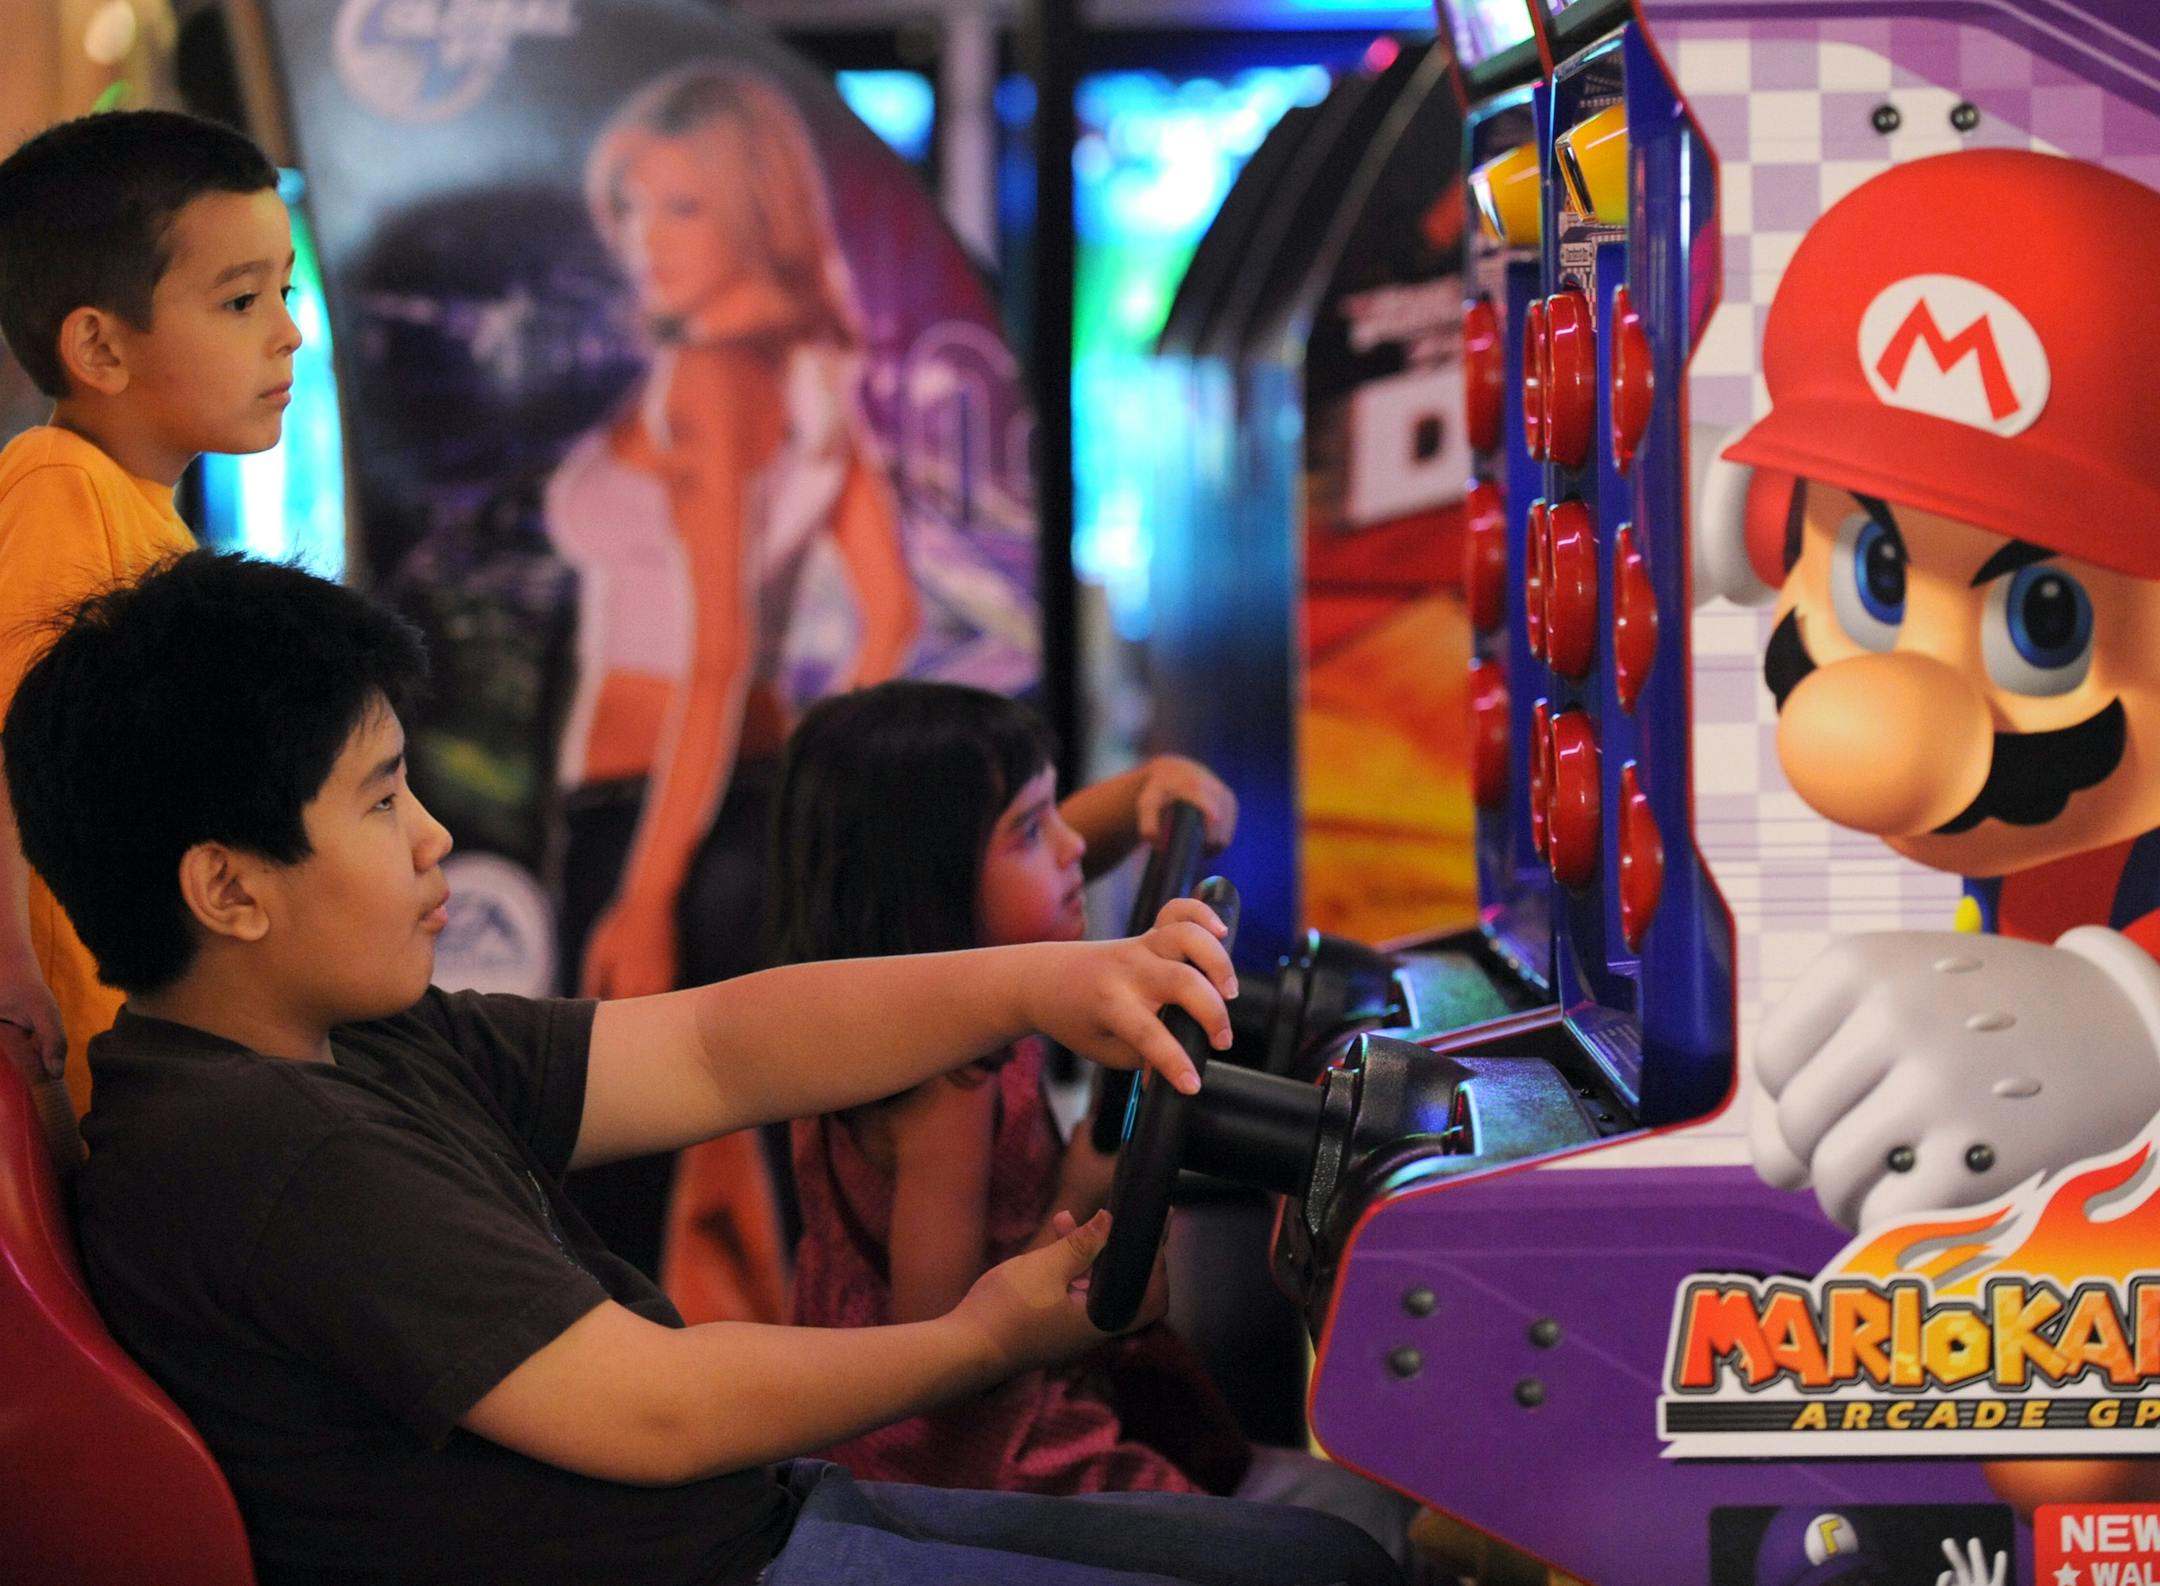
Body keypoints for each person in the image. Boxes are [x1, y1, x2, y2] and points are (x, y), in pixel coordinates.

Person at [1, 549, 1399, 1586]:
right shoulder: (258, 1150)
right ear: (228, 890)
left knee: (1313, 1561)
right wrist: (986, 1337)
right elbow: (652, 1407)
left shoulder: (354, 1038)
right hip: (700, 1559)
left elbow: (719, 1045)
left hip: (746, 1522)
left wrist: (1047, 981)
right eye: (382, 801)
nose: (433, 838)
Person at [765, 680, 1422, 1564]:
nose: (1076, 845)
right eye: (1033, 830)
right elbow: (938, 1352)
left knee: (1324, 1499)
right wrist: (1077, 1189)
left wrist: (1150, 789)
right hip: (976, 1464)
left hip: (1005, 1414)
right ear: (936, 884)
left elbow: (1063, 836)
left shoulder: (890, 999)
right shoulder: (945, 1089)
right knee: (1346, 1535)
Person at [547, 61, 919, 1281]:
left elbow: (717, 653)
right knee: (772, 1166)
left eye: (683, 208)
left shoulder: (712, 375)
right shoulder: (809, 367)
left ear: (756, 207)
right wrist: (803, 782)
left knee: (612, 1197)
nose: (646, 242)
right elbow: (893, 614)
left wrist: (649, 885)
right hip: (747, 813)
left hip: (648, 811)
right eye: (634, 209)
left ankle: (639, 1458)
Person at [0, 109, 299, 1113]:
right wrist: (10, 982)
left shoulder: (144, 522)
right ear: (98, 343)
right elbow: (8, 747)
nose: (288, 331)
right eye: (243, 299)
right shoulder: (60, 484)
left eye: (285, 290)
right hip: (101, 1068)